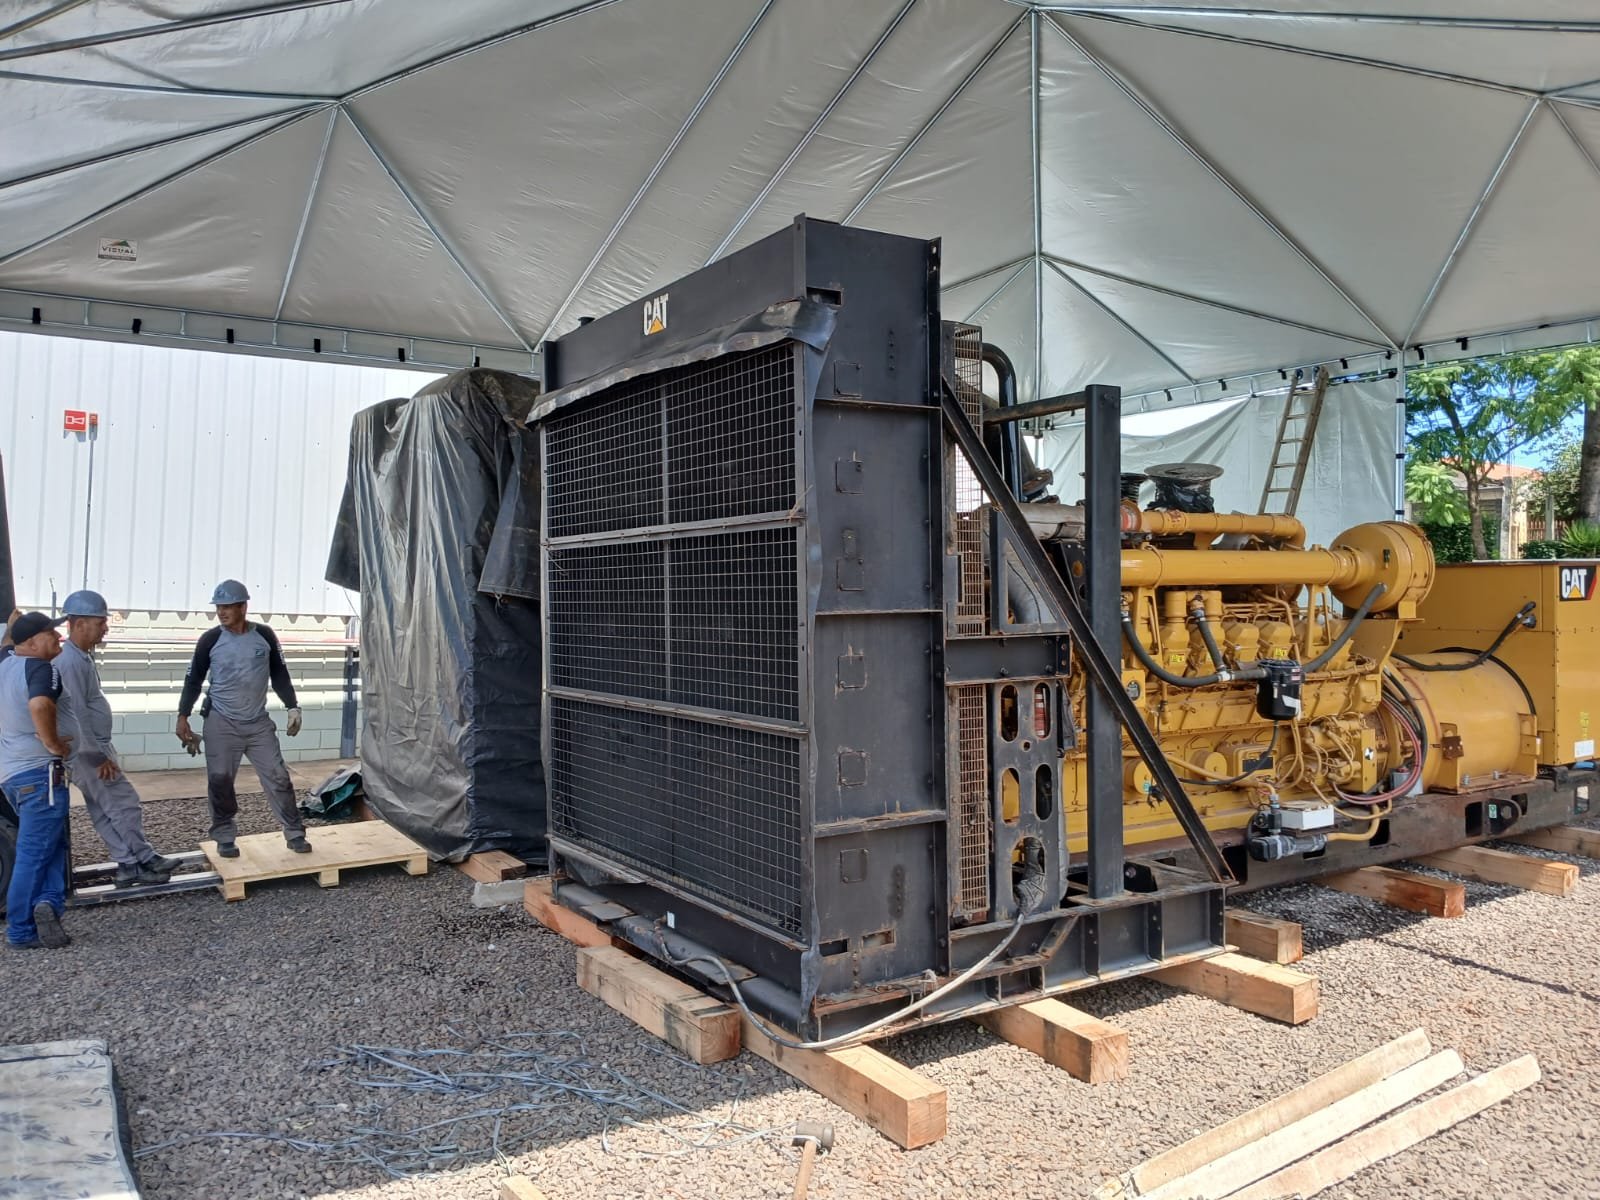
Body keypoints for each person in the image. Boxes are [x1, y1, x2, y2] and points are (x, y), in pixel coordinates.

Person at [56, 590, 182, 887]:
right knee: (124, 803)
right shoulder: (70, 662)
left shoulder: (79, 657)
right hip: (89, 752)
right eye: (100, 622)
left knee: (104, 809)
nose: (106, 628)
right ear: (79, 623)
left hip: (86, 750)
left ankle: (128, 865)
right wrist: (98, 756)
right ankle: (145, 858)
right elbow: (77, 714)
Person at [175, 580, 308, 858]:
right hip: (221, 722)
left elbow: (279, 673)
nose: (221, 613)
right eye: (218, 608)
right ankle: (224, 837)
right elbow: (193, 679)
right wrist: (183, 715)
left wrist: (292, 707)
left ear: (243, 607)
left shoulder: (265, 636)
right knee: (220, 780)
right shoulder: (211, 640)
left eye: (227, 607)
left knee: (278, 777)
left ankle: (295, 833)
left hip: (258, 723)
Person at [1, 611, 73, 949]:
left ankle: (48, 902)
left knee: (50, 844)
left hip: (12, 776)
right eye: (50, 633)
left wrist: (11, 626)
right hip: (40, 774)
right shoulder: (41, 668)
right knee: (33, 853)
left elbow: (7, 644)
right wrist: (54, 744)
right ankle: (21, 929)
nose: (58, 637)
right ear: (31, 643)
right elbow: (40, 704)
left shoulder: (5, 663)